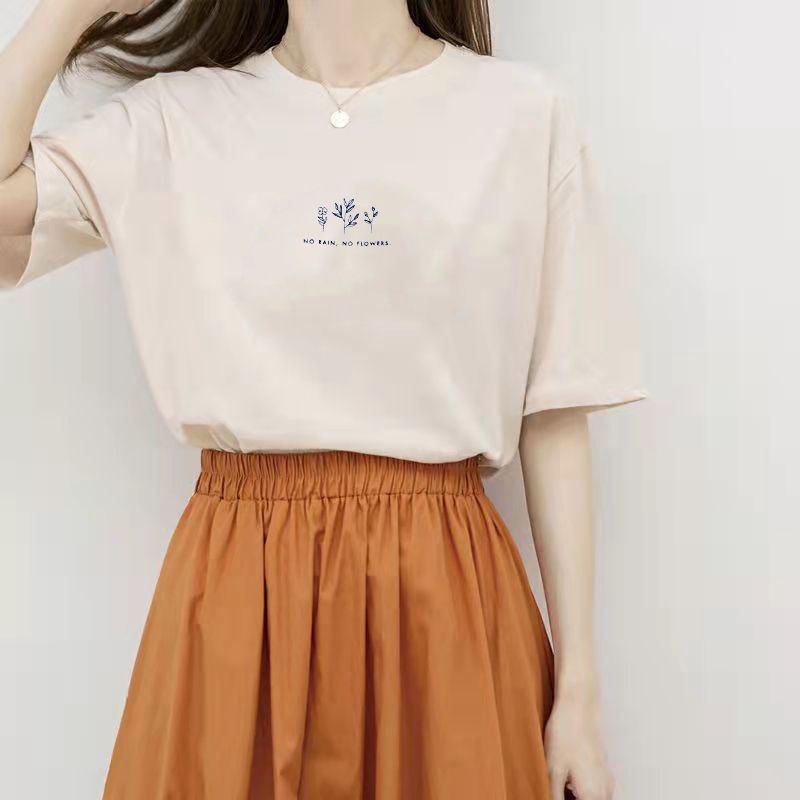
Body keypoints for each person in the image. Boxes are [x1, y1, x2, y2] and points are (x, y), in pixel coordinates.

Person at [0, 1, 648, 798]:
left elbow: (556, 413)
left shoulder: (521, 116)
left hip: (444, 593)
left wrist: (579, 692)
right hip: (239, 592)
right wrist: (73, 7)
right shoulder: (176, 122)